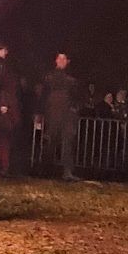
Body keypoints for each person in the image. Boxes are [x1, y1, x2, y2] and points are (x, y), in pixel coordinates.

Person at [40, 52, 79, 181]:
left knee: (67, 142)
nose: (61, 61)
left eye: (64, 59)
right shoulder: (49, 77)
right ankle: (46, 170)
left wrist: (74, 109)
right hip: (53, 113)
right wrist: (41, 112)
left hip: (67, 115)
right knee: (51, 141)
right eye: (59, 58)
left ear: (68, 61)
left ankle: (67, 172)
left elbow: (77, 96)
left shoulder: (72, 78)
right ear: (56, 60)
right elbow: (44, 95)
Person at [0, 44, 21, 177]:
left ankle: (1, 166)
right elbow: (3, 86)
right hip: (2, 106)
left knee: (0, 138)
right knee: (3, 139)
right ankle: (3, 166)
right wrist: (4, 103)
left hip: (0, 105)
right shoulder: (1, 66)